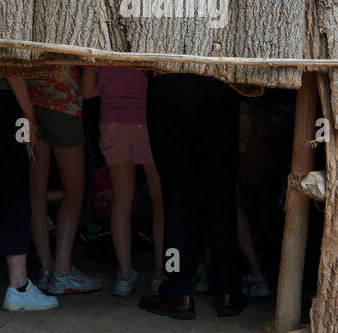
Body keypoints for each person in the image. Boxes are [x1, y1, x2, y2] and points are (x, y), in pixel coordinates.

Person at [139, 74, 248, 319]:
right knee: (221, 196)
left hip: (170, 91)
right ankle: (227, 289)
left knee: (176, 198)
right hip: (218, 86)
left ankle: (178, 289)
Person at [0, 74, 58, 311]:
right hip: (5, 101)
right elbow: (12, 70)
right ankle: (19, 285)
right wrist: (29, 115)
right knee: (13, 189)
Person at [81, 66, 165, 296]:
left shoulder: (101, 47)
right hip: (146, 123)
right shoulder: (145, 43)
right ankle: (161, 272)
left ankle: (125, 275)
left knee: (121, 200)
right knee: (161, 200)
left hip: (112, 124)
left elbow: (88, 93)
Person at [27, 67, 102, 294]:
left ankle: (47, 269)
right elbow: (89, 91)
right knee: (74, 189)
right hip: (64, 103)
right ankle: (62, 273)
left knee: (36, 193)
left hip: (30, 101)